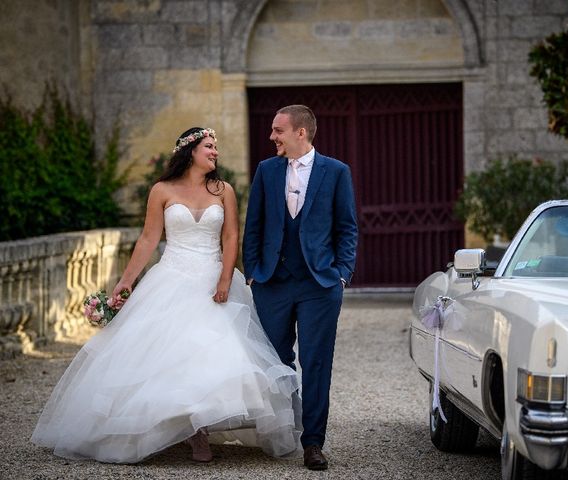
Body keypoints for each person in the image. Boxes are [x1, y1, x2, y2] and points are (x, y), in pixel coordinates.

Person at [31, 127, 302, 464]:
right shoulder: (161, 190)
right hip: (171, 277)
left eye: (215, 147)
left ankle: (201, 425)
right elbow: (148, 240)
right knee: (170, 354)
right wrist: (125, 282)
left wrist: (223, 278)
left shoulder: (223, 190)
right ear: (189, 151)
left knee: (214, 353)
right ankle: (190, 432)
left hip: (213, 278)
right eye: (209, 146)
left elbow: (232, 236)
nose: (215, 152)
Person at [243, 105, 358, 471]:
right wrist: (252, 273)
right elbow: (254, 224)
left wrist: (341, 273)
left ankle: (313, 443)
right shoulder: (266, 171)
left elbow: (347, 227)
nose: (272, 137)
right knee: (274, 358)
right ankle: (285, 429)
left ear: (300, 133)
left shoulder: (336, 172)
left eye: (278, 130)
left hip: (319, 284)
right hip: (272, 283)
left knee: (316, 362)